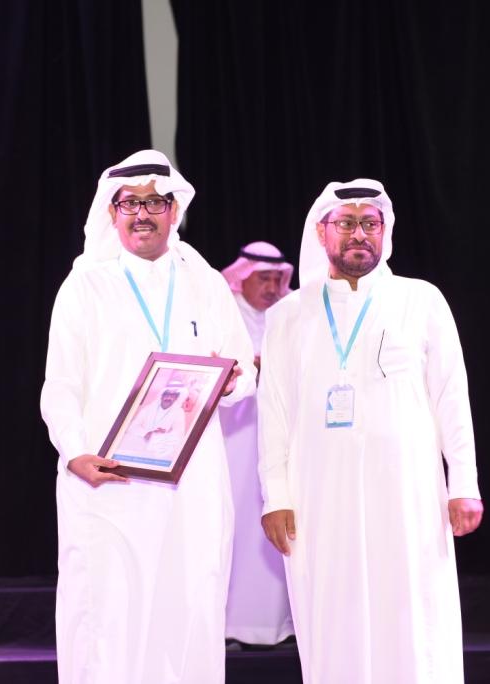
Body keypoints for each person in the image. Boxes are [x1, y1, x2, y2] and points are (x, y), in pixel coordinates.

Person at [40, 150, 257, 684]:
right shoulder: (86, 285)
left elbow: (244, 370)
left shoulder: (204, 281)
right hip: (109, 477)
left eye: (155, 202)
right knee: (109, 615)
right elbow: (60, 385)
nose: (143, 213)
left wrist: (231, 380)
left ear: (174, 209)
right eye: (130, 203)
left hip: (193, 479)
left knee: (191, 606)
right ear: (111, 212)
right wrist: (75, 453)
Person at [258, 179, 483, 683]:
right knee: (331, 613)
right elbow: (273, 412)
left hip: (408, 493)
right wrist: (275, 496)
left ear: (385, 231)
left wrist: (463, 483)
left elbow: (451, 395)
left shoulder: (420, 299)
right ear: (322, 232)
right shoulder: (289, 315)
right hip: (317, 496)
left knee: (412, 612)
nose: (358, 234)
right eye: (346, 223)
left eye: (369, 223)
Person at [219, 242, 295, 647]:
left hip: (280, 437)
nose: (271, 288)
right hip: (235, 436)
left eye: (276, 280)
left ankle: (280, 624)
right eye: (262, 279)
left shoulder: (288, 314)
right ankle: (232, 626)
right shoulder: (224, 310)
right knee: (237, 525)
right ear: (242, 278)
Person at [120, 383, 188, 462]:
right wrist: (146, 433)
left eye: (173, 395)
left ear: (176, 398)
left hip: (160, 449)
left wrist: (165, 434)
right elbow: (131, 427)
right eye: (166, 394)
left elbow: (179, 433)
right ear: (161, 396)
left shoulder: (179, 412)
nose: (169, 397)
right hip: (139, 445)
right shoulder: (148, 409)